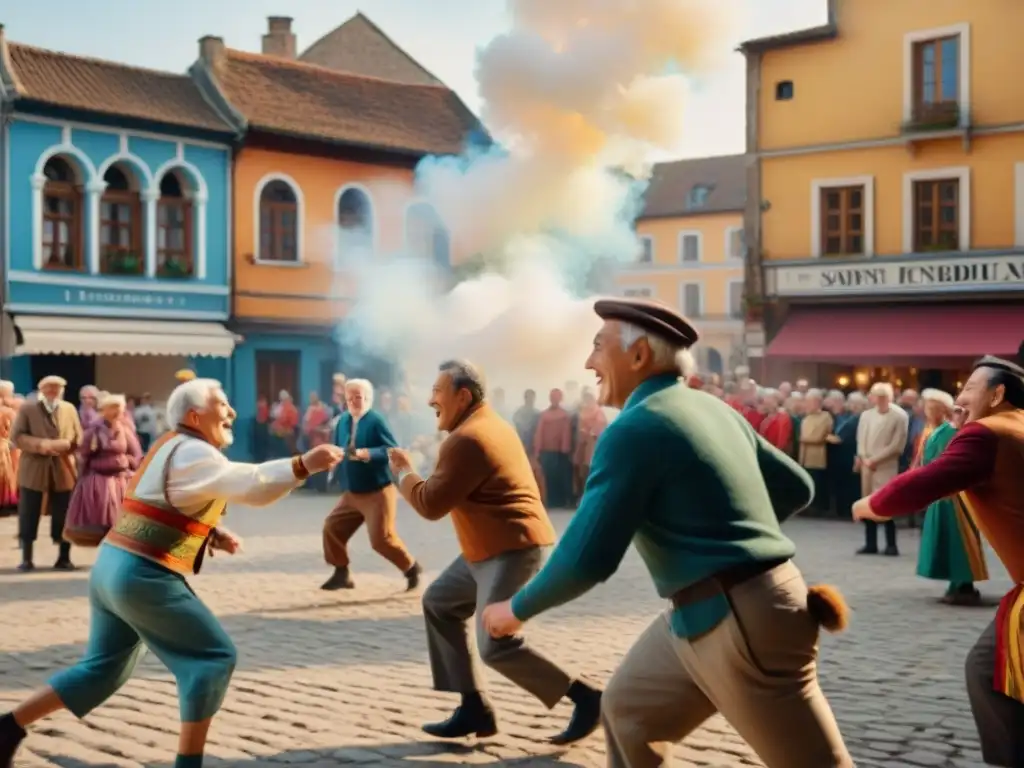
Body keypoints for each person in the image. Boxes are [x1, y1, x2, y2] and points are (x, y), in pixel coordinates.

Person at [481, 297, 852, 768]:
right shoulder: (712, 408)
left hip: (740, 617)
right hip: (705, 614)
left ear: (638, 358)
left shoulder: (634, 427)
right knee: (629, 713)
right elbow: (797, 487)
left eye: (598, 347)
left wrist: (515, 610)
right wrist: (723, 527)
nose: (589, 363)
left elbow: (585, 558)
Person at [0, 378, 343, 768]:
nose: (231, 412)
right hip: (141, 574)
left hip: (112, 566)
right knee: (213, 657)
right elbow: (251, 484)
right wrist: (304, 464)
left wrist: (211, 533)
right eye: (223, 405)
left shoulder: (169, 444)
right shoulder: (195, 451)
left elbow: (164, 501)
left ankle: (8, 726)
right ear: (196, 415)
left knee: (101, 669)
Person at [387, 360, 602, 745]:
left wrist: (403, 471)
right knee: (439, 602)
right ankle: (474, 706)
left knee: (495, 644)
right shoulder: (485, 424)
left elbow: (429, 504)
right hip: (486, 548)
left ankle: (586, 697)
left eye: (438, 392)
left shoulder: (469, 437)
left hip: (512, 548)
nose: (430, 399)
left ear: (463, 396)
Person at [853, 356, 1024, 767]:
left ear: (997, 395)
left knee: (989, 675)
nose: (959, 398)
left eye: (968, 388)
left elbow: (923, 482)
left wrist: (870, 505)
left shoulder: (986, 433)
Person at [320, 379, 421, 591]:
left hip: (377, 490)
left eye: (359, 397)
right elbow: (339, 447)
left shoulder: (376, 420)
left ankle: (411, 568)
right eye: (350, 398)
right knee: (332, 528)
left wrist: (369, 453)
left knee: (381, 540)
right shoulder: (342, 421)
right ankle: (341, 572)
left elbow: (392, 449)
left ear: (368, 398)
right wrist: (333, 470)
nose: (354, 402)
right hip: (353, 491)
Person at [913, 388, 988, 606]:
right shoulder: (936, 430)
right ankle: (956, 584)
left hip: (953, 496)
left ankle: (964, 583)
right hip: (941, 493)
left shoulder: (949, 432)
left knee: (958, 540)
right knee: (947, 540)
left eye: (929, 407)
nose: (926, 411)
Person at [11, 375, 83, 571]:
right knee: (29, 511)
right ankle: (27, 557)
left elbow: (78, 436)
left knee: (64, 512)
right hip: (34, 467)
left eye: (57, 387)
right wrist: (40, 445)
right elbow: (17, 436)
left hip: (62, 467)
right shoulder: (28, 408)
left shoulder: (69, 409)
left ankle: (64, 557)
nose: (53, 390)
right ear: (41, 389)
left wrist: (66, 445)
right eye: (49, 387)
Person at [63, 394, 143, 547]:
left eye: (119, 409)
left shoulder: (125, 429)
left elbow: (136, 454)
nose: (117, 412)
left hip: (121, 477)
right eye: (113, 408)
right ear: (104, 410)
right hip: (99, 478)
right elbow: (83, 455)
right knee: (102, 507)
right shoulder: (93, 431)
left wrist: (126, 462)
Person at [855, 382, 908, 556]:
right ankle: (870, 543)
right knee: (867, 504)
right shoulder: (866, 416)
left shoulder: (899, 416)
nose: (876, 399)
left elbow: (897, 445)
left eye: (880, 396)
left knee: (886, 503)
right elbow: (860, 439)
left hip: (886, 467)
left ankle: (891, 544)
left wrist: (875, 459)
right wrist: (863, 457)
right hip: (867, 466)